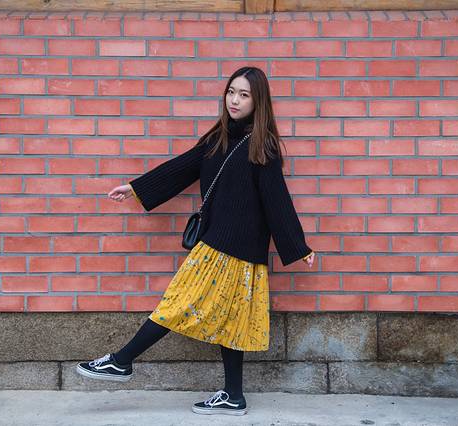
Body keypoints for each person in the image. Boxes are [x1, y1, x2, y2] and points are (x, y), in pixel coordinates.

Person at [76, 66, 315, 416]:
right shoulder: (218, 137)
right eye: (231, 92)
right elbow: (182, 167)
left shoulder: (262, 146)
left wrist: (298, 245)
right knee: (231, 321)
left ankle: (122, 360)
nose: (235, 100)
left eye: (244, 95)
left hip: (235, 248)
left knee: (179, 303)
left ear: (258, 101)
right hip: (219, 242)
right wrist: (136, 188)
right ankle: (233, 396)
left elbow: (276, 199)